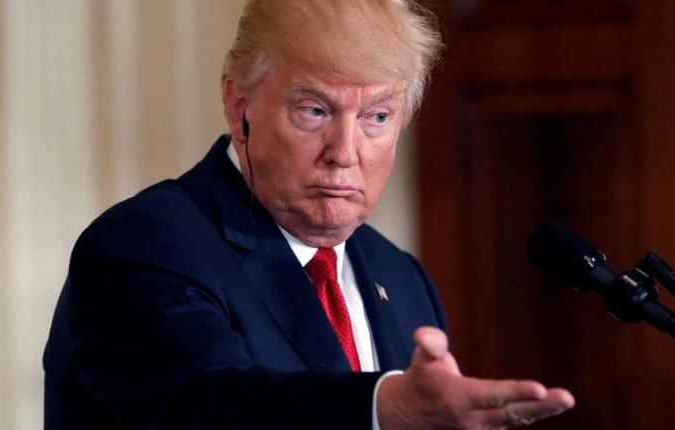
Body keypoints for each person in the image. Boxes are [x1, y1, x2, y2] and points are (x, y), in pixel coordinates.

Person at [43, 1, 575, 429]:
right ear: (239, 105)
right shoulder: (145, 244)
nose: (345, 152)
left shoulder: (402, 277)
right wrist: (382, 408)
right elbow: (204, 406)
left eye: (377, 117)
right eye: (315, 110)